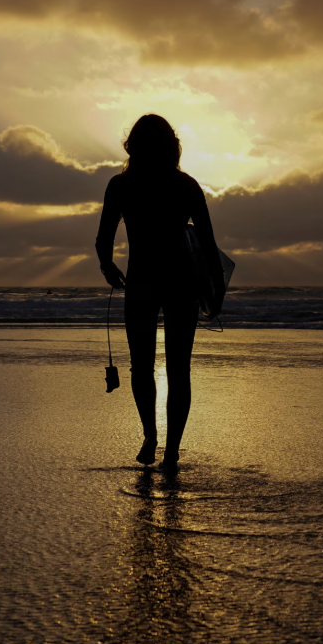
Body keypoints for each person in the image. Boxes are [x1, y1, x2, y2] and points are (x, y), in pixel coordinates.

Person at [96, 114, 224, 470]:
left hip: (141, 280)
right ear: (173, 146)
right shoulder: (187, 186)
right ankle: (171, 451)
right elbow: (209, 246)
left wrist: (108, 267)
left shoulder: (120, 186)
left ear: (131, 146)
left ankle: (151, 435)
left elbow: (103, 239)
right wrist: (217, 290)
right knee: (179, 369)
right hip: (182, 282)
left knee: (141, 367)